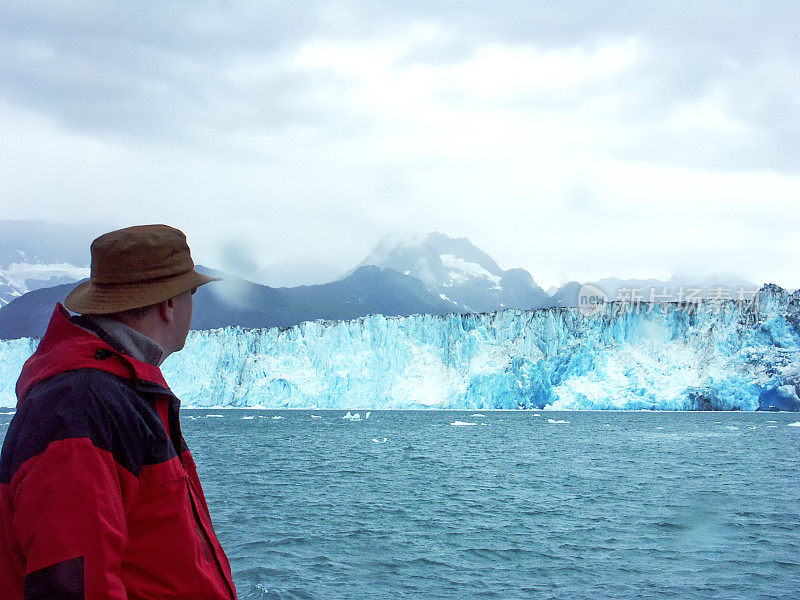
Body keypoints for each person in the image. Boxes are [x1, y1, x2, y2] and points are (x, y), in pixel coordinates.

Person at [0, 224, 237, 600]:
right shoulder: (80, 407)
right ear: (169, 303)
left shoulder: (116, 393)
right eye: (190, 292)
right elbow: (73, 583)